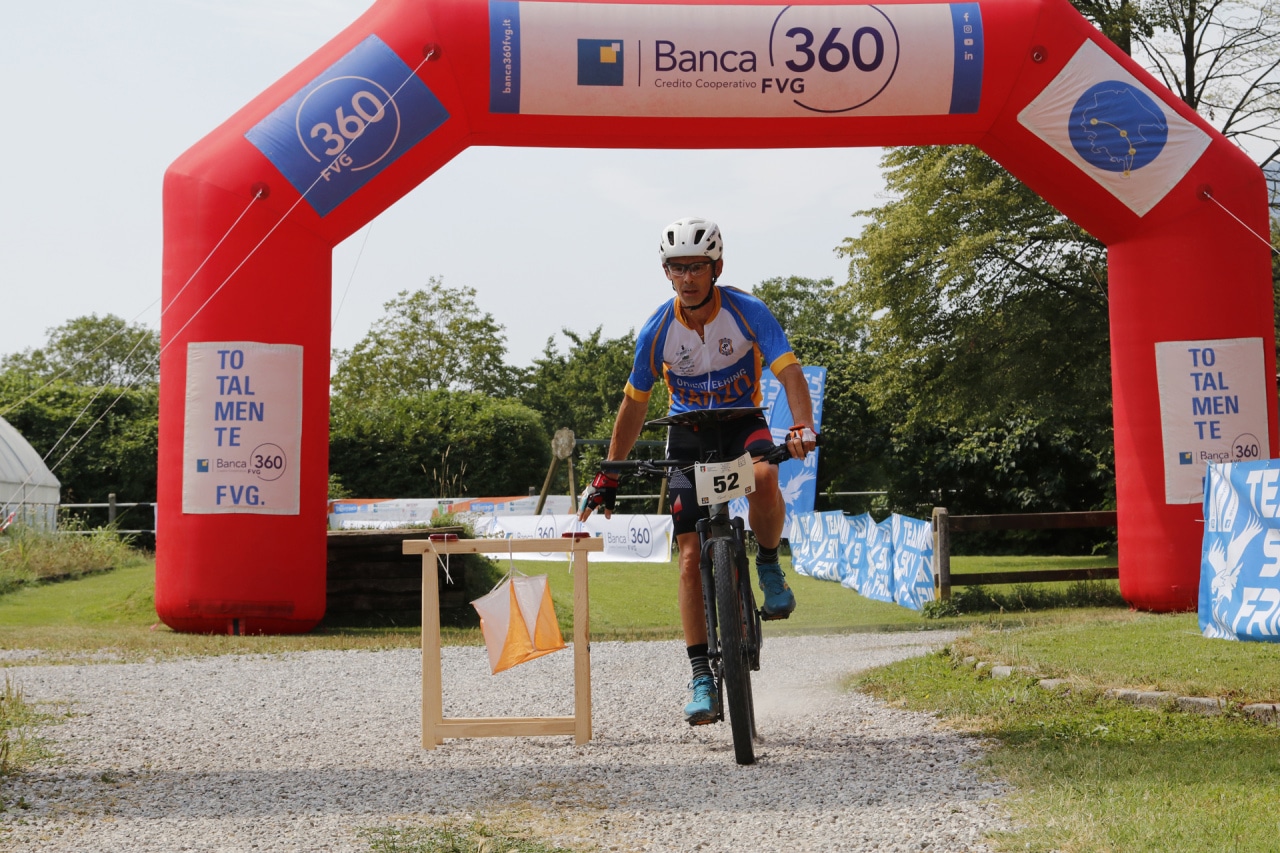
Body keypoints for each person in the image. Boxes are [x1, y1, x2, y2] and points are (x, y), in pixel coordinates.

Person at [579, 216, 816, 725]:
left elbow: (791, 372)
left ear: (717, 268)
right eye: (677, 268)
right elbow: (634, 405)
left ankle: (768, 563)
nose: (687, 278)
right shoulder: (656, 330)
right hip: (687, 435)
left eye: (696, 267)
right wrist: (609, 474)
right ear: (666, 273)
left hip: (741, 423)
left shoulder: (748, 311)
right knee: (689, 557)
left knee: (766, 476)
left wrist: (802, 426)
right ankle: (701, 675)